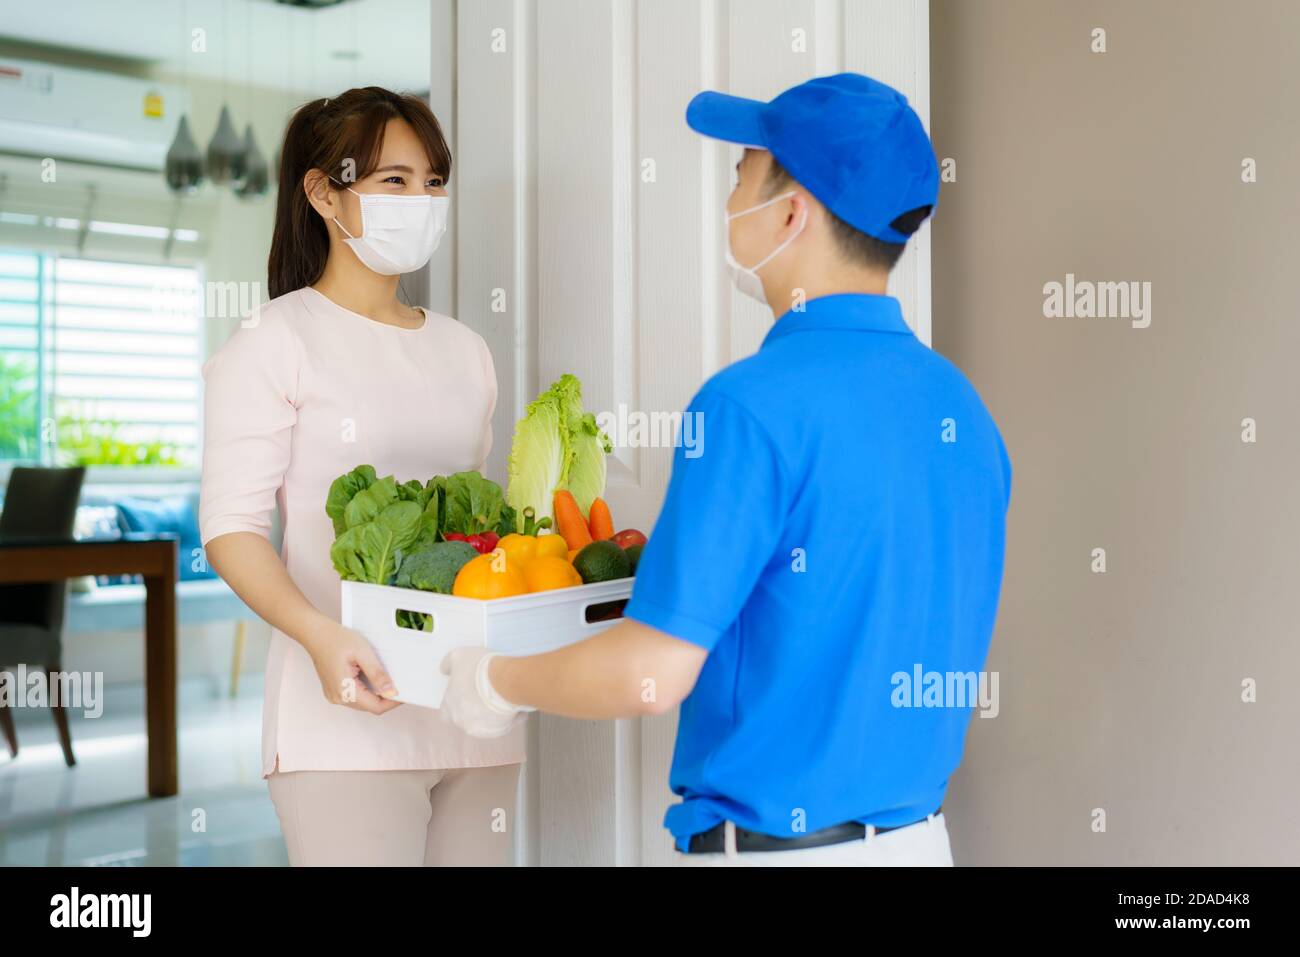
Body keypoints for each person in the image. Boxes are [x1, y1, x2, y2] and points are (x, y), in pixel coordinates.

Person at [440, 73, 1011, 866]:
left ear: (791, 212)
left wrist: (494, 680)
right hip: (919, 845)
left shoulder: (748, 407)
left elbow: (653, 671)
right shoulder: (965, 413)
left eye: (743, 170)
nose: (730, 189)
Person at [200, 87, 520, 867]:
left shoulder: (465, 350)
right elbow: (231, 531)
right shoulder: (275, 340)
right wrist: (320, 636)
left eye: (433, 182)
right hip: (339, 720)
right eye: (394, 181)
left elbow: (470, 532)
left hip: (472, 709)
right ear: (322, 192)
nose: (422, 201)